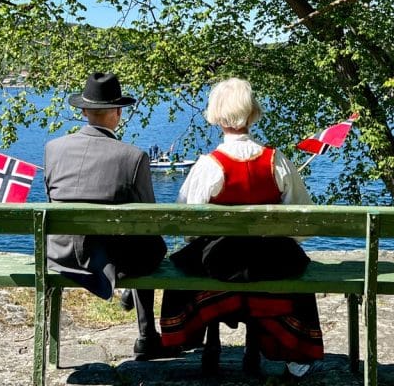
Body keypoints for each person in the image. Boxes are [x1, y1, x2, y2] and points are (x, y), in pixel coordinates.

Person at [159, 78, 324, 378]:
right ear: (251, 114)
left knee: (183, 263)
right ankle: (294, 354)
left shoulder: (208, 166)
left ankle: (188, 340)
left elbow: (188, 224)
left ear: (217, 116)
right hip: (271, 262)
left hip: (220, 264)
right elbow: (303, 221)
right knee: (296, 266)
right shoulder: (277, 162)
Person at [43, 72, 175, 360]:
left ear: (84, 111)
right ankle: (146, 335)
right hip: (110, 258)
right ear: (117, 113)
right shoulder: (133, 157)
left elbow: (51, 200)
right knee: (153, 245)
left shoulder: (53, 149)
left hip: (60, 253)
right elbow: (148, 219)